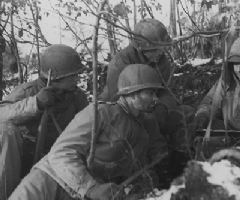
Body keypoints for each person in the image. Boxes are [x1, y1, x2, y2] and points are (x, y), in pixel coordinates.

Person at [9, 64, 167, 200]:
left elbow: (133, 169)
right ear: (131, 94)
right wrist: (92, 188)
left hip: (81, 193)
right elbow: (61, 153)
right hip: (50, 181)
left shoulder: (144, 128)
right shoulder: (101, 112)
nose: (155, 99)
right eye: (150, 93)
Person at [100, 19, 194, 185]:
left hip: (151, 105)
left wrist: (163, 108)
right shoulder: (121, 62)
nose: (159, 53)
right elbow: (120, 98)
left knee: (184, 114)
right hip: (121, 109)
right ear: (140, 47)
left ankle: (182, 161)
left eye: (162, 48)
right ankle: (157, 168)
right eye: (154, 49)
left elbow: (165, 90)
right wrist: (149, 113)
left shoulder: (162, 61)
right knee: (149, 128)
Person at [0, 44, 88, 199]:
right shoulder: (27, 91)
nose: (77, 79)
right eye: (73, 76)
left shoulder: (77, 97)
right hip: (21, 158)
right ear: (55, 77)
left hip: (55, 160)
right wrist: (36, 103)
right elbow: (2, 115)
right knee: (6, 130)